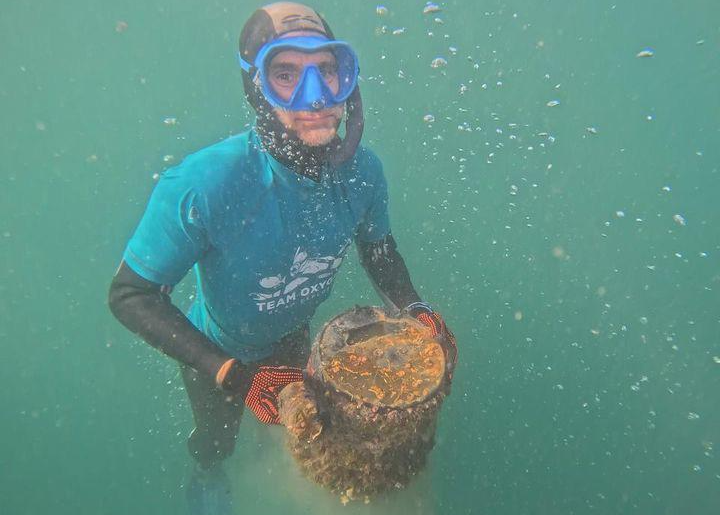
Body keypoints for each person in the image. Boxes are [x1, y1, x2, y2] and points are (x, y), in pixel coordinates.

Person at [108, 3, 457, 514]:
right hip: (218, 348)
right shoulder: (207, 182)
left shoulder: (364, 173)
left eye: (328, 70)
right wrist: (234, 375)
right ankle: (208, 471)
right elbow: (129, 294)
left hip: (295, 335)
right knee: (217, 437)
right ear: (257, 89)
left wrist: (415, 307)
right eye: (286, 73)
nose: (315, 98)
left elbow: (379, 251)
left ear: (348, 81)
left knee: (307, 424)